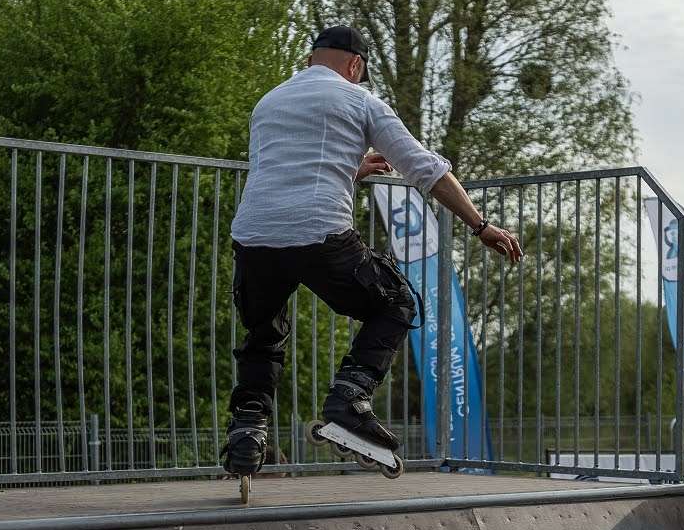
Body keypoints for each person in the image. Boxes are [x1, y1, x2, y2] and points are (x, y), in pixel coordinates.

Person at [220, 24, 523, 476]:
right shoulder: (361, 100)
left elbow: (287, 168)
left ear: (311, 59)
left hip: (253, 237)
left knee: (263, 335)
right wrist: (479, 225)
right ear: (355, 65)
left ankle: (248, 429)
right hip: (320, 235)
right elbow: (424, 168)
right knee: (397, 302)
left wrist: (350, 168)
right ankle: (350, 395)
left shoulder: (269, 102)